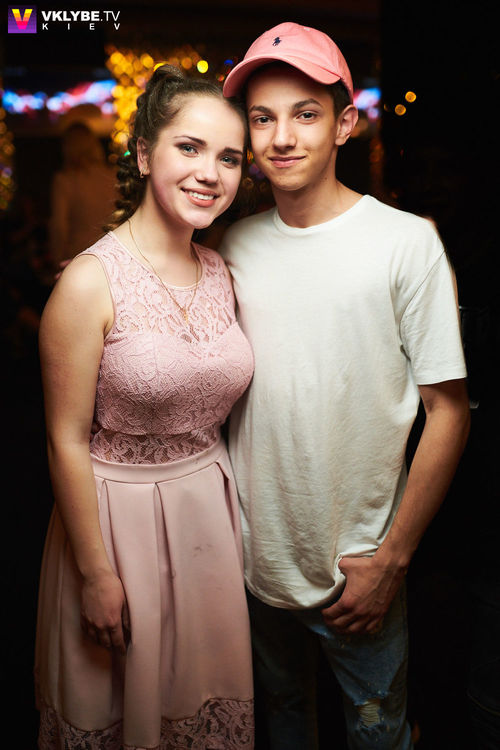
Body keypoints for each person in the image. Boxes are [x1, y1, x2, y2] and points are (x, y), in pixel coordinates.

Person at [219, 22, 471, 750]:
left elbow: (448, 412)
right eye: (262, 118)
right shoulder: (231, 245)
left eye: (306, 114)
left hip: (357, 570)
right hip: (253, 565)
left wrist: (392, 560)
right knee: (283, 725)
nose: (281, 137)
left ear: (345, 123)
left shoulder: (406, 242)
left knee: (377, 735)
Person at [35, 64, 255, 750]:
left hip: (209, 527)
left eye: (229, 158)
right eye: (189, 148)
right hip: (114, 527)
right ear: (142, 155)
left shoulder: (222, 270)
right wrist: (96, 574)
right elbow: (64, 439)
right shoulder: (88, 281)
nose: (210, 173)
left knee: (204, 715)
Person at [49, 122, 117, 265]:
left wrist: (57, 257)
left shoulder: (65, 180)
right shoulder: (112, 176)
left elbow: (60, 227)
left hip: (79, 256)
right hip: (112, 256)